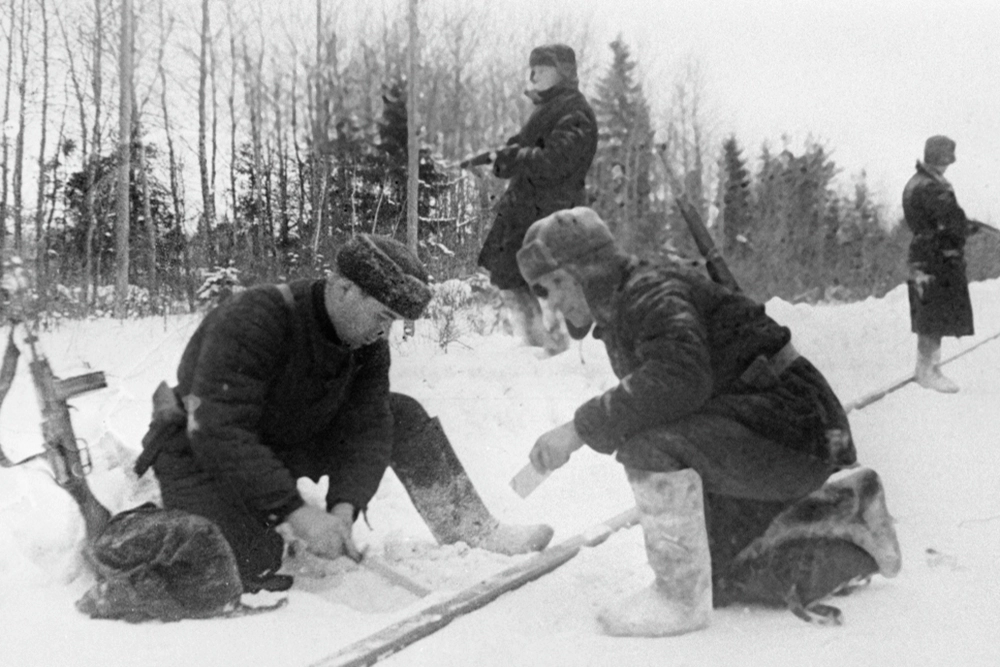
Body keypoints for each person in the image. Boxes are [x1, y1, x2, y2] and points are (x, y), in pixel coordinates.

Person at [515, 207, 901, 636]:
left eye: (553, 286)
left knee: (647, 446)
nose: (552, 303)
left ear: (584, 272)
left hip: (796, 428)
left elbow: (679, 380)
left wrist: (578, 430)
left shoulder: (651, 294)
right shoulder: (631, 298)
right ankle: (850, 514)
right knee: (727, 575)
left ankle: (678, 599)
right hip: (782, 428)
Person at [134, 234, 553, 593]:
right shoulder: (255, 318)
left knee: (400, 413)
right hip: (203, 450)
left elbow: (369, 425)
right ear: (344, 288)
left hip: (285, 438)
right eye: (382, 316)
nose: (383, 332)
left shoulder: (367, 341)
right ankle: (149, 521)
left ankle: (471, 528)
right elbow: (219, 431)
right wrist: (296, 513)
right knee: (248, 564)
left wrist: (344, 508)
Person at [476, 43, 598, 354]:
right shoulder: (548, 109)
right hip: (527, 213)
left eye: (542, 68)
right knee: (514, 281)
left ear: (564, 72)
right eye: (533, 69)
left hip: (551, 216)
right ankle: (537, 348)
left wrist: (515, 156)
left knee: (546, 283)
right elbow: (521, 149)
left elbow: (557, 160)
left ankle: (559, 350)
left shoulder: (575, 110)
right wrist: (499, 158)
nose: (533, 75)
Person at [903, 135, 984, 393]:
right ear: (940, 158)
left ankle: (926, 368)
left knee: (928, 312)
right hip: (937, 257)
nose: (948, 165)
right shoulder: (933, 186)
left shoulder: (915, 182)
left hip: (922, 254)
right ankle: (928, 371)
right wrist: (966, 227)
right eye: (946, 160)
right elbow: (950, 221)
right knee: (933, 315)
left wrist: (961, 225)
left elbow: (938, 219)